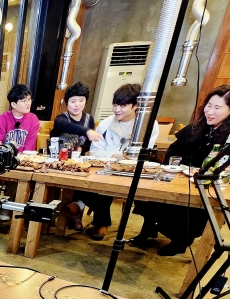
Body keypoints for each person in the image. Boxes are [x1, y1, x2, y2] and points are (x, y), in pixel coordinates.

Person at [132, 84, 230, 256]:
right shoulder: (201, 126)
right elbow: (174, 150)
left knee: (189, 208)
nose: (210, 112)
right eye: (209, 105)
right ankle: (148, 229)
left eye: (217, 108)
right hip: (182, 177)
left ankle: (180, 241)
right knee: (149, 192)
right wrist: (176, 165)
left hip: (209, 185)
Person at [61, 84, 159, 240]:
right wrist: (115, 156)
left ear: (135, 105)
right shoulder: (106, 124)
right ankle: (99, 222)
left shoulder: (148, 125)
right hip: (105, 168)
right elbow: (95, 151)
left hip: (131, 171)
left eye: (123, 105)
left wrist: (121, 158)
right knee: (87, 176)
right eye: (115, 104)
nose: (117, 109)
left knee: (111, 183)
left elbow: (143, 153)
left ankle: (84, 208)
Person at [0, 84, 40, 221]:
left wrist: (18, 158)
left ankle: (6, 206)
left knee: (17, 176)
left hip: (20, 160)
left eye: (29, 99)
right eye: (24, 100)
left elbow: (29, 147)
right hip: (2, 159)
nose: (28, 103)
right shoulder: (2, 119)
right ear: (13, 104)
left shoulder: (33, 119)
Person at [51, 81, 102, 153]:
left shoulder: (89, 119)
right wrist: (87, 131)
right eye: (73, 101)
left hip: (79, 158)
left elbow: (89, 143)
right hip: (58, 156)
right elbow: (67, 126)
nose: (77, 105)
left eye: (81, 101)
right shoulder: (61, 119)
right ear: (67, 103)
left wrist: (81, 148)